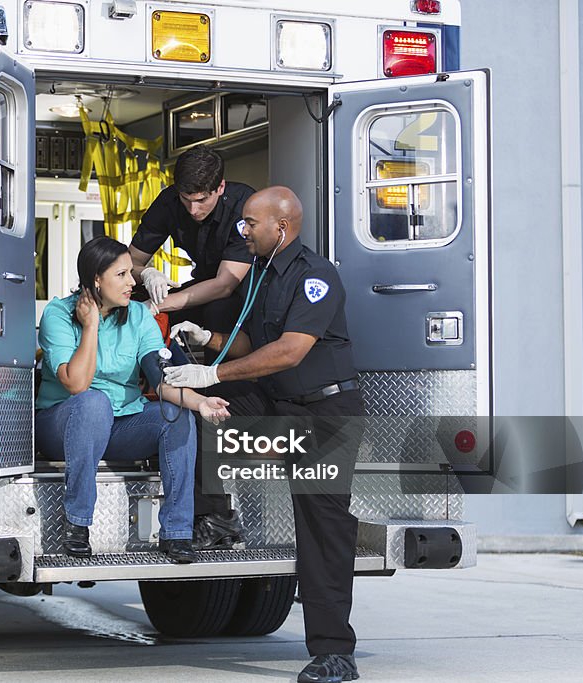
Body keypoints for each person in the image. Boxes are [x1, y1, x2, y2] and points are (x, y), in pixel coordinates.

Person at [164, 186, 365, 683]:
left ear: (282, 226)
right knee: (205, 410)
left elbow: (290, 351)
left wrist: (213, 374)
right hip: (279, 402)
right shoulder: (259, 275)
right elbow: (256, 342)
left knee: (321, 528)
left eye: (250, 223)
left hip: (324, 413)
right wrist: (205, 341)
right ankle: (215, 518)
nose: (242, 230)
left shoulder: (316, 276)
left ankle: (334, 653)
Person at [36, 236, 231, 565]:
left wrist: (199, 403)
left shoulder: (139, 316)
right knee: (93, 402)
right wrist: (91, 325)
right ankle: (78, 525)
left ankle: (178, 532)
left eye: (131, 274)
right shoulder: (58, 313)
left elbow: (161, 378)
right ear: (96, 279)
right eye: (122, 275)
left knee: (176, 415)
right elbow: (76, 384)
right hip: (64, 425)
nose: (132, 282)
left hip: (120, 426)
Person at [129, 144, 254, 545]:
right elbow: (130, 260)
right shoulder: (171, 201)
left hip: (238, 292)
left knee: (215, 314)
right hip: (199, 284)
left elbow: (226, 283)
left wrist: (167, 303)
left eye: (201, 200)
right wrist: (147, 275)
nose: (194, 209)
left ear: (219, 188)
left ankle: (209, 394)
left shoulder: (242, 204)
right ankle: (154, 384)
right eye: (187, 200)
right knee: (131, 302)